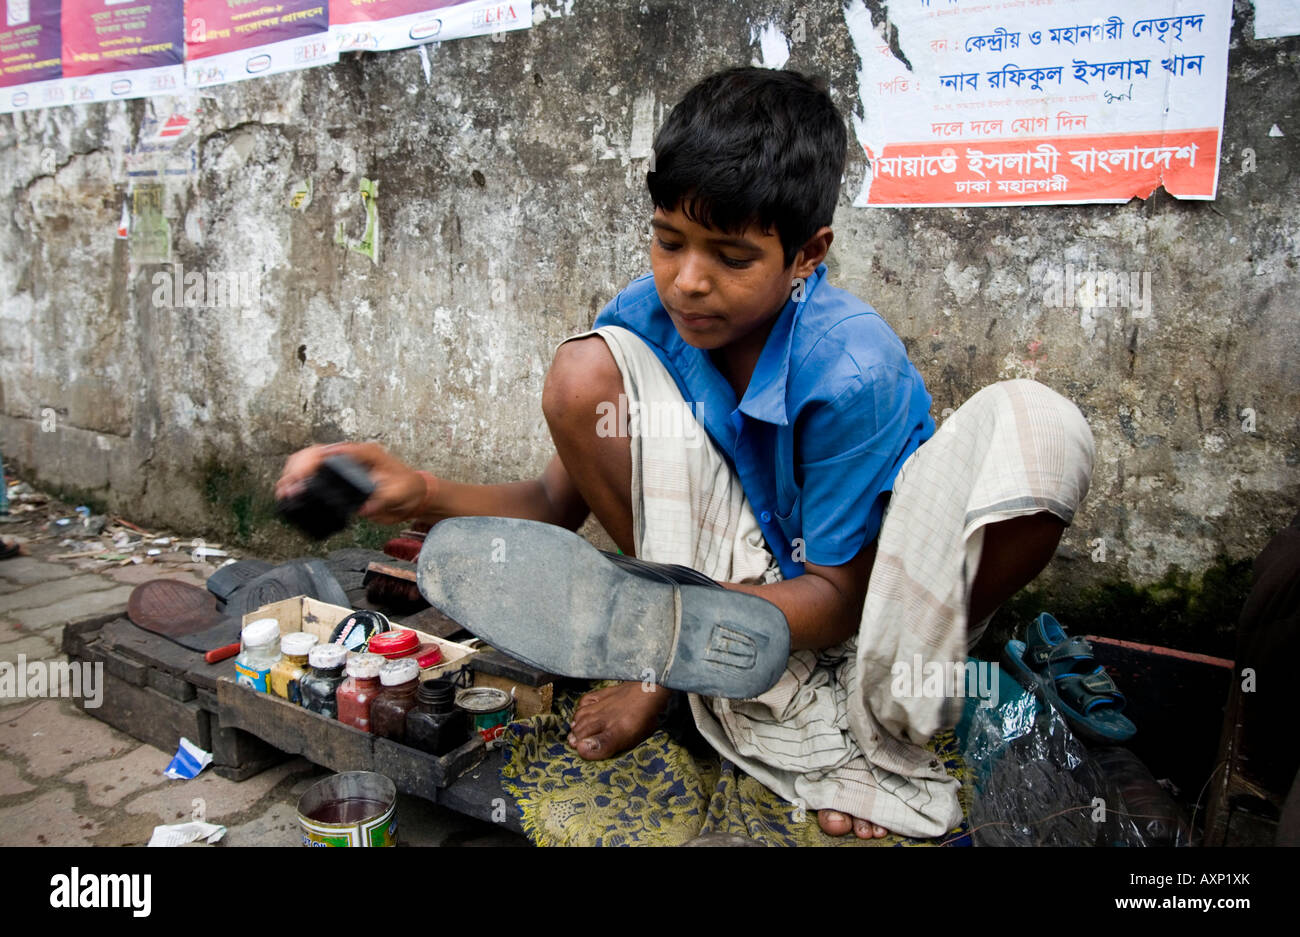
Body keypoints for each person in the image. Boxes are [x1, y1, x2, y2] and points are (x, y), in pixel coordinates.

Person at [278, 66, 1094, 839]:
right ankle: (670, 646)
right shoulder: (648, 318)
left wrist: (659, 657)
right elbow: (553, 507)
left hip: (869, 603)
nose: (688, 282)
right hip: (723, 580)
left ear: (808, 253)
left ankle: (715, 668)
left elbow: (842, 597)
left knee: (1041, 430)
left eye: (731, 257)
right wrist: (415, 488)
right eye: (669, 242)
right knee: (581, 374)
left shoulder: (851, 370)